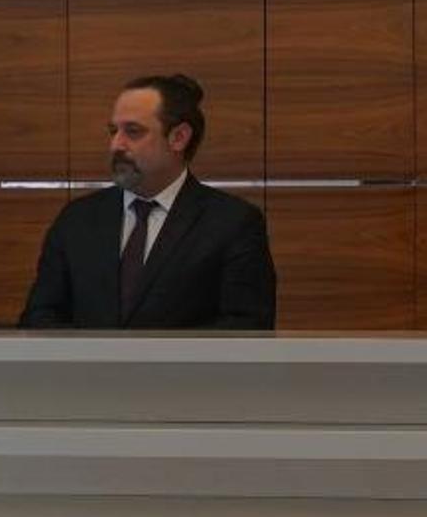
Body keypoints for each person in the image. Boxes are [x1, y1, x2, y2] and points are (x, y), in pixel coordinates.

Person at [18, 73, 277, 329]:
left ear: (179, 137)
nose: (116, 145)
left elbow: (247, 326)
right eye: (113, 131)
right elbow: (39, 318)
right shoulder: (78, 219)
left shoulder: (233, 223)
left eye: (133, 132)